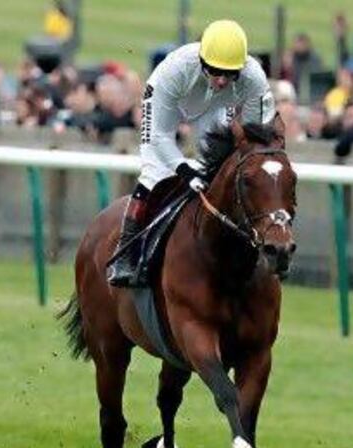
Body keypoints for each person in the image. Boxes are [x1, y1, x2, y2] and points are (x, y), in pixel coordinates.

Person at [106, 19, 275, 287]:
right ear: (201, 61)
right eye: (214, 71)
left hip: (216, 109)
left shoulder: (254, 78)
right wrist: (184, 170)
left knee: (221, 171)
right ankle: (125, 254)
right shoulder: (175, 69)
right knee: (156, 172)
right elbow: (160, 137)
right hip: (170, 103)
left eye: (229, 73)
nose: (221, 80)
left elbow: (256, 135)